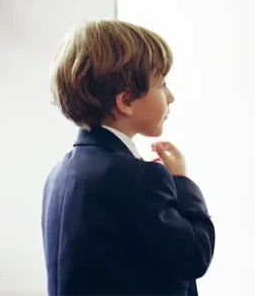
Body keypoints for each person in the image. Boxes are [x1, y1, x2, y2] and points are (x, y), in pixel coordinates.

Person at [42, 20, 215, 296]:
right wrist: (182, 181)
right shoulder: (137, 177)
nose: (171, 97)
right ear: (125, 101)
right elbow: (195, 255)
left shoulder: (60, 173)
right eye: (162, 84)